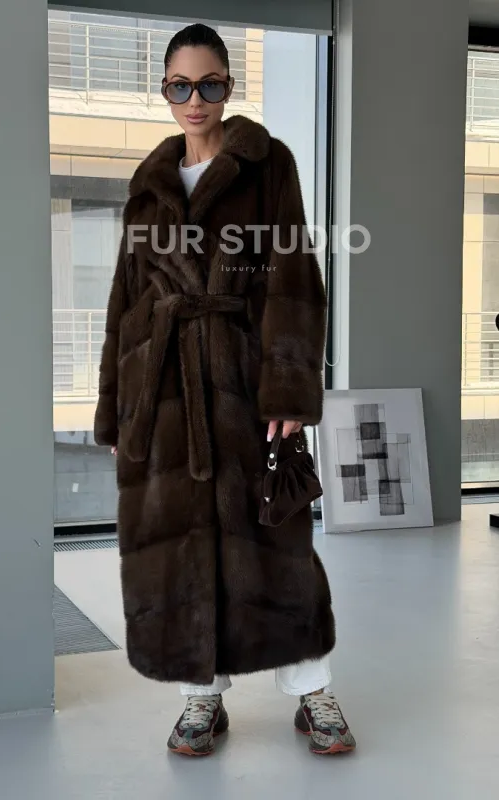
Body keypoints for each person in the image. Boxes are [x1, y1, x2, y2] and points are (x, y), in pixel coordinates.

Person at [94, 22, 356, 757]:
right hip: (164, 391)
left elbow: (294, 279)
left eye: (209, 83)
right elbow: (124, 301)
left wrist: (287, 391)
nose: (195, 99)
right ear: (164, 90)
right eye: (180, 85)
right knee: (182, 546)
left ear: (229, 86)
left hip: (243, 379)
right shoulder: (148, 185)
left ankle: (313, 690)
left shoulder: (267, 165)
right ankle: (201, 698)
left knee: (278, 536)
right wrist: (118, 407)